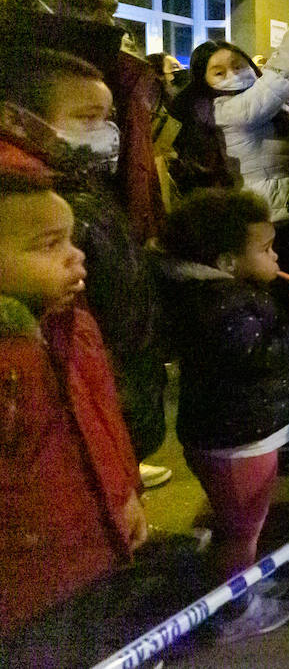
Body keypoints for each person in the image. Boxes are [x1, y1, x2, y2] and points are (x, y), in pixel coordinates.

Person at [158, 189, 289, 641]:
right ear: (228, 262)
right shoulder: (223, 304)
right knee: (242, 531)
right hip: (238, 439)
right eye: (266, 249)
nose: (276, 257)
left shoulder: (221, 294)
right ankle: (235, 609)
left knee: (236, 523)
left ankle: (240, 580)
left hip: (231, 431)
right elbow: (265, 354)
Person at [0, 48, 171, 488]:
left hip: (118, 375)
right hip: (94, 391)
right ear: (19, 118)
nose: (105, 133)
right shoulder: (32, 206)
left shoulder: (83, 183)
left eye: (107, 117)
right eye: (87, 117)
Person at [0, 167, 145, 655]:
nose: (76, 255)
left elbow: (104, 423)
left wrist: (126, 490)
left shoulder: (73, 326)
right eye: (48, 245)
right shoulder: (9, 361)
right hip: (31, 588)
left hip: (95, 544)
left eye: (71, 240)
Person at [1, 0, 164, 242]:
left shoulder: (126, 81)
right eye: (86, 7)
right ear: (27, 2)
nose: (109, 24)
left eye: (111, 11)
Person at [167, 0, 289, 222]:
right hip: (269, 214)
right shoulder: (228, 110)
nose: (233, 75)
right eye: (219, 72)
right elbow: (284, 70)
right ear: (204, 81)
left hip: (288, 206)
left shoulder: (260, 98)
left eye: (238, 66)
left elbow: (276, 74)